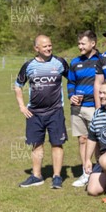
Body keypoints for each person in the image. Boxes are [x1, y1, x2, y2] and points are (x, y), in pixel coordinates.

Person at [15, 35, 69, 189]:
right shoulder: (28, 66)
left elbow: (72, 78)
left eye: (50, 45)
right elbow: (18, 85)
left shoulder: (60, 63)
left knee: (57, 144)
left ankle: (57, 176)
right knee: (37, 144)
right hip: (35, 113)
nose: (48, 48)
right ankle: (36, 176)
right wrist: (21, 106)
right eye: (44, 46)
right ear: (36, 48)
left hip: (55, 111)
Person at [67, 30, 100, 188]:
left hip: (95, 107)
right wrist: (71, 95)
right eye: (78, 43)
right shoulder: (74, 62)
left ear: (92, 44)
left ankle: (101, 172)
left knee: (99, 141)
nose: (79, 46)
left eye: (83, 43)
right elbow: (70, 82)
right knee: (82, 139)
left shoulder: (102, 59)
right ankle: (86, 172)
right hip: (78, 108)